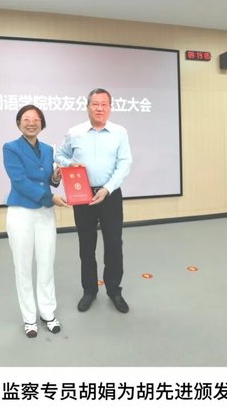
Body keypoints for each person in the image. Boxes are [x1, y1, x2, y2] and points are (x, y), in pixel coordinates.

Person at [55, 88, 132, 313]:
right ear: (87, 107)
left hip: (110, 195)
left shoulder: (120, 132)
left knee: (114, 244)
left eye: (104, 104)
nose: (99, 108)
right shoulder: (74, 132)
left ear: (110, 107)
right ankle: (89, 290)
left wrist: (107, 188)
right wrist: (70, 165)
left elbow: (125, 163)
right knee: (86, 245)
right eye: (95, 104)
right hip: (82, 195)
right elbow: (59, 155)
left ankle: (114, 290)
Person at [3, 104, 69, 338]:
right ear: (18, 123)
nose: (31, 123)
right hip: (21, 212)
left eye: (36, 119)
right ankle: (29, 318)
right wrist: (51, 197)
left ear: (42, 123)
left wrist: (56, 177)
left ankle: (48, 313)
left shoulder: (49, 149)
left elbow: (48, 180)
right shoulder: (10, 148)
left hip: (45, 213)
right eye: (26, 119)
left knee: (46, 264)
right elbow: (19, 181)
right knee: (22, 267)